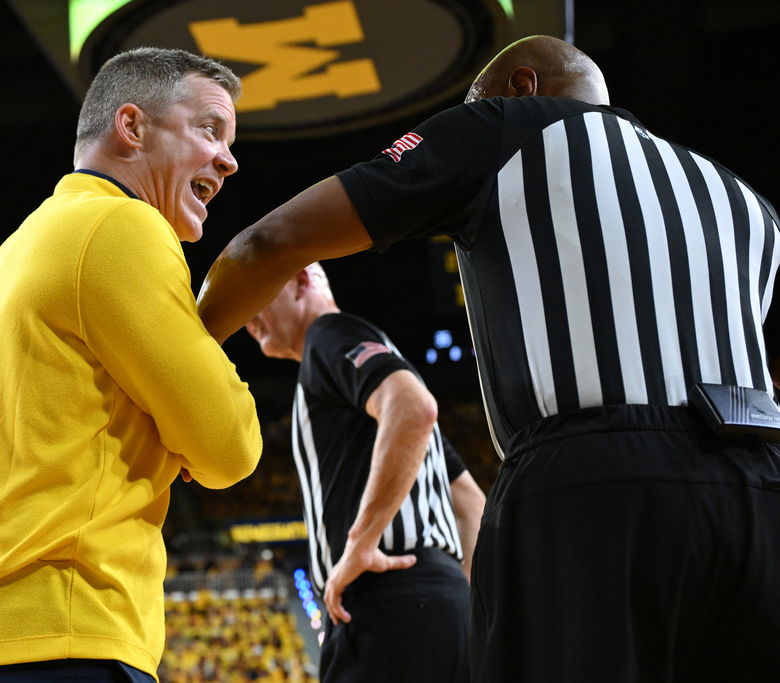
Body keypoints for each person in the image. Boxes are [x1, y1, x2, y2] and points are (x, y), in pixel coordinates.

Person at [198, 35, 780, 682]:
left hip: (598, 481)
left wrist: (182, 381)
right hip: (760, 486)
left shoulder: (505, 125)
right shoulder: (742, 199)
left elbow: (268, 243)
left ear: (521, 86)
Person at [0, 48, 262, 683]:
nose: (229, 158)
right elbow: (229, 447)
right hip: (68, 638)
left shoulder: (23, 244)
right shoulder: (123, 227)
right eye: (209, 129)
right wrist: (176, 441)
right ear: (132, 127)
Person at [245, 262, 485, 682]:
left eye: (257, 294)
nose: (247, 316)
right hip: (442, 606)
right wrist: (455, 599)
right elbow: (471, 505)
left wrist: (360, 543)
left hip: (383, 602)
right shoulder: (377, 381)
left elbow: (414, 407)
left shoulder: (328, 334)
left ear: (302, 281)